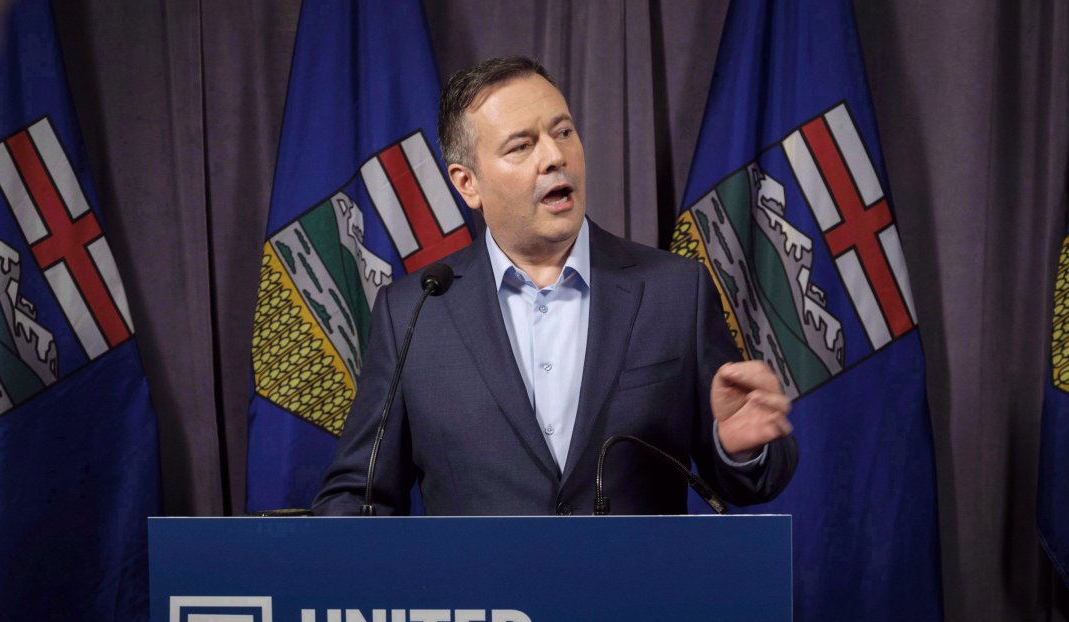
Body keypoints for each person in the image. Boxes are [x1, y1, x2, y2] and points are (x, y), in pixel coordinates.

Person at [311, 56, 796, 516]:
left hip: (637, 598)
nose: (554, 156)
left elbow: (750, 480)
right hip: (484, 601)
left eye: (563, 131)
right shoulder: (414, 311)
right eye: (521, 145)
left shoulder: (674, 291)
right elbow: (360, 492)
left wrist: (742, 448)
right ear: (467, 184)